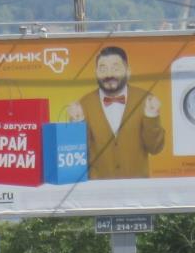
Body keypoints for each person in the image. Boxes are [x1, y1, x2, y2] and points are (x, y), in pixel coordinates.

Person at [64, 46, 165, 179]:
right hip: (97, 187)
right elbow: (80, 155)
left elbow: (155, 148)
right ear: (96, 73)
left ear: (128, 71)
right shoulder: (84, 104)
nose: (109, 75)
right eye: (103, 69)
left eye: (115, 68)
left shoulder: (145, 100)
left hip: (137, 186)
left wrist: (151, 117)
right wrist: (77, 125)